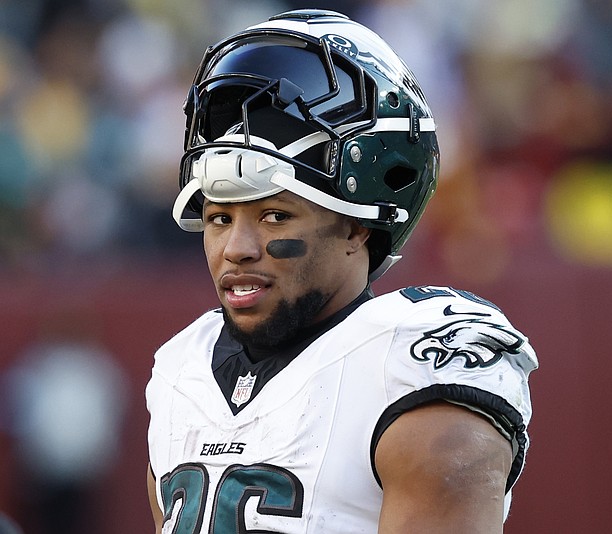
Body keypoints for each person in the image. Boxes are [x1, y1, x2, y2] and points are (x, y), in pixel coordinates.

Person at [146, 9, 538, 533]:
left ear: (357, 227)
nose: (234, 248)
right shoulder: (181, 372)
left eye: (274, 215)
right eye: (219, 217)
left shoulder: (411, 365)